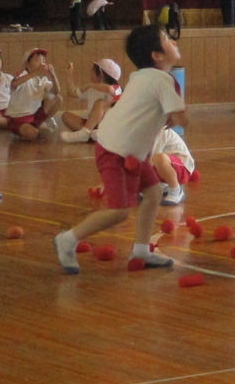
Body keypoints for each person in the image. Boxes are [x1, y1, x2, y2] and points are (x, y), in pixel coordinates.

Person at [53, 25, 185, 274]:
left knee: (154, 193)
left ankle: (141, 250)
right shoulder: (161, 79)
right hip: (116, 151)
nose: (174, 41)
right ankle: (68, 239)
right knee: (120, 211)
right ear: (157, 55)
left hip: (128, 150)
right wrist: (181, 117)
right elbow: (180, 117)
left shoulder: (141, 76)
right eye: (167, 39)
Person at [5, 49, 64, 141]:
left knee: (58, 99)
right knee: (32, 134)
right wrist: (35, 72)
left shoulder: (42, 78)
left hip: (34, 114)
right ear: (27, 64)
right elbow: (14, 84)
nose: (42, 64)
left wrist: (53, 75)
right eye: (37, 60)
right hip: (18, 118)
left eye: (43, 61)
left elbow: (55, 91)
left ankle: (42, 123)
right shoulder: (23, 75)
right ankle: (20, 130)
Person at [59, 59, 123, 143]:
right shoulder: (92, 89)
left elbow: (109, 89)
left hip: (109, 126)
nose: (90, 73)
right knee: (66, 116)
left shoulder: (117, 89)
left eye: (92, 71)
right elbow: (72, 93)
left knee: (100, 102)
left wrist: (91, 85)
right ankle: (92, 135)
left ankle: (84, 134)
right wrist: (69, 74)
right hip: (92, 125)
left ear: (100, 75)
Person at [151, 125, 195, 206]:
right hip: (161, 167)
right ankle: (163, 186)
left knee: (159, 158)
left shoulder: (160, 131)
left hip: (182, 168)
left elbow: (152, 156)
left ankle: (176, 191)